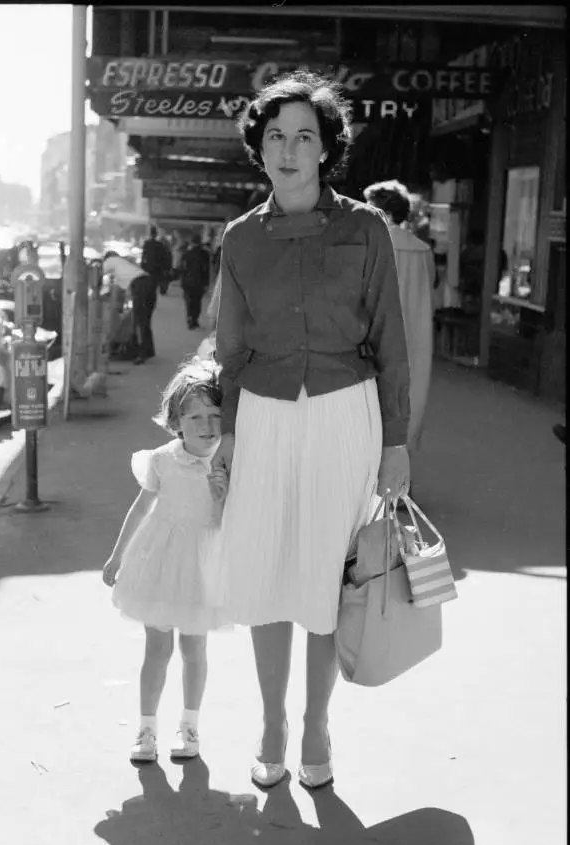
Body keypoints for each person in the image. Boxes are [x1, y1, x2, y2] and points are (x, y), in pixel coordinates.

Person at [211, 70, 410, 790]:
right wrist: (227, 435)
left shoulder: (364, 229)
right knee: (264, 569)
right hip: (261, 413)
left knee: (326, 575)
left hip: (343, 410)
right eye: (275, 136)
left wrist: (395, 442)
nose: (289, 149)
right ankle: (270, 723)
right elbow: (228, 348)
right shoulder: (239, 239)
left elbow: (390, 340)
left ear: (326, 149)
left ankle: (316, 726)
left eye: (304, 136)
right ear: (257, 150)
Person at [102, 358, 229, 763]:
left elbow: (231, 524)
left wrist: (224, 494)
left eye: (215, 415)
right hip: (159, 561)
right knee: (157, 649)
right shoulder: (161, 459)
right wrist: (116, 556)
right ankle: (146, 728)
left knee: (195, 649)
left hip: (202, 568)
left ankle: (189, 726)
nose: (207, 425)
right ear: (176, 422)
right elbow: (140, 509)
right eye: (195, 417)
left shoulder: (228, 462)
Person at [364, 179, 435, 456]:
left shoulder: (372, 244)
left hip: (377, 332)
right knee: (409, 396)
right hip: (416, 333)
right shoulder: (422, 250)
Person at [180, 234, 211, 330]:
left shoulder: (186, 254)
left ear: (192, 243)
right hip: (199, 282)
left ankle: (190, 319)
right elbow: (206, 270)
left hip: (187, 282)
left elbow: (183, 269)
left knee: (189, 301)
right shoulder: (205, 254)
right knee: (197, 301)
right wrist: (206, 283)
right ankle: (195, 319)